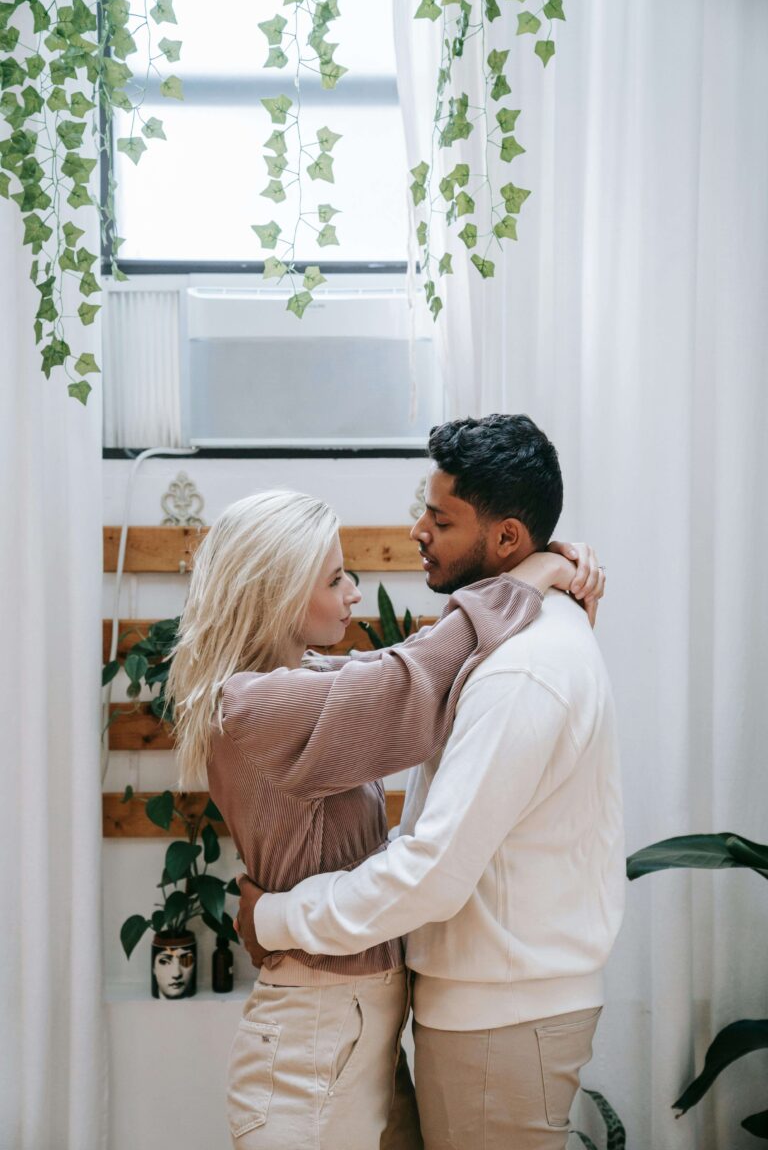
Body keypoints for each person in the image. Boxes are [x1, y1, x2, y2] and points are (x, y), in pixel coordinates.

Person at [165, 479, 603, 1150]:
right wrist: (538, 570)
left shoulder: (304, 683)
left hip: (348, 1031)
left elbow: (416, 670)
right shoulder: (258, 708)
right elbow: (416, 675)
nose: (353, 596)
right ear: (277, 591)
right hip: (312, 1040)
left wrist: (536, 570)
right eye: (337, 579)